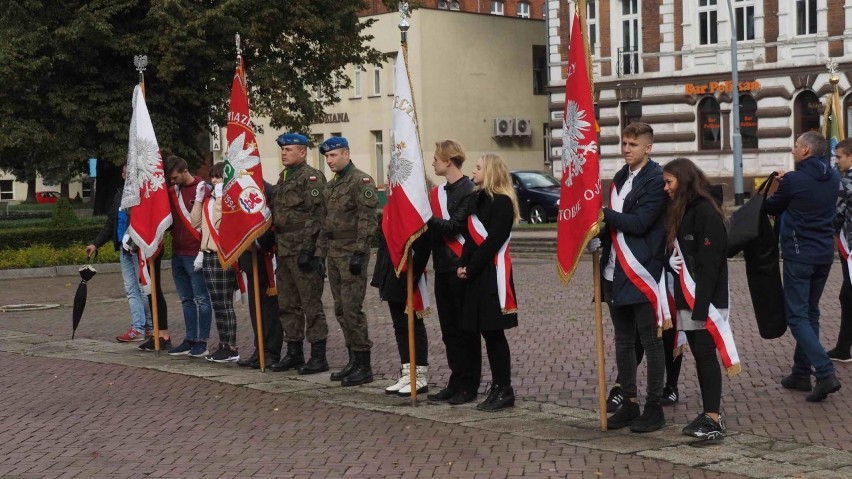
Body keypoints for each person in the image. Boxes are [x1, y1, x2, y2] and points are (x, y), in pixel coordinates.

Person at [589, 122, 667, 432]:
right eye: (624, 143)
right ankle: (630, 401)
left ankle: (654, 406)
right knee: (623, 342)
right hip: (613, 271)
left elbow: (640, 223)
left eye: (633, 144)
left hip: (641, 271)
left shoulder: (656, 179)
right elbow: (616, 225)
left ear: (648, 147)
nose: (626, 149)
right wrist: (598, 233)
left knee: (650, 343)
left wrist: (602, 213)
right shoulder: (621, 177)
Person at [766, 131, 842, 401]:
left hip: (799, 254)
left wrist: (778, 186)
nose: (793, 150)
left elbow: (771, 206)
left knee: (797, 316)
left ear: (807, 150)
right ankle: (800, 373)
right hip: (823, 254)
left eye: (796, 146)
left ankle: (824, 372)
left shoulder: (794, 180)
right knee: (811, 313)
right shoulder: (833, 176)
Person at [663, 157, 732, 439]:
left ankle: (713, 417)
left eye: (669, 182)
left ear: (684, 179)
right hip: (688, 298)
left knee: (705, 356)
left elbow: (710, 264)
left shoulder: (705, 212)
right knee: (700, 356)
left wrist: (701, 308)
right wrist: (669, 263)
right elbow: (678, 253)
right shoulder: (682, 210)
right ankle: (709, 413)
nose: (665, 188)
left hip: (705, 300)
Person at [457, 153, 519, 412]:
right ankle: (495, 386)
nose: (474, 171)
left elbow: (493, 241)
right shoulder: (477, 199)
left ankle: (504, 388)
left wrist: (470, 267)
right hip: (475, 275)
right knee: (482, 331)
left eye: (479, 167)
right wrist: (463, 263)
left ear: (491, 171)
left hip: (492, 275)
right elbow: (470, 238)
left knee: (494, 333)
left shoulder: (502, 202)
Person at [317, 136, 378, 386]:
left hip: (352, 252)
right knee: (341, 309)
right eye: (327, 157)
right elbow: (324, 224)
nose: (329, 160)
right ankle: (353, 360)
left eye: (333, 155)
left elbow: (368, 219)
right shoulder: (330, 187)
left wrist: (360, 251)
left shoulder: (360, 181)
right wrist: (320, 254)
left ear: (346, 154)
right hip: (334, 252)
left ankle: (364, 365)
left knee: (353, 309)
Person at [425, 139, 481, 405]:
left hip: (460, 267)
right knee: (449, 330)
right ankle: (456, 379)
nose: (433, 162)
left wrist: (424, 216)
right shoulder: (439, 192)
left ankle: (470, 384)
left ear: (448, 161)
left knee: (465, 329)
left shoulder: (470, 191)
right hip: (442, 267)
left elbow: (454, 227)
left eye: (437, 157)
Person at [270, 133, 330, 375]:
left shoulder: (312, 178)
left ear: (303, 152)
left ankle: (318, 356)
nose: (284, 152)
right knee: (287, 303)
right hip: (284, 249)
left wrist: (310, 249)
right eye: (283, 149)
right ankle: (294, 352)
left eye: (289, 149)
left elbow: (318, 217)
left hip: (303, 250)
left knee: (310, 304)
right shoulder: (284, 178)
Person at [85, 164, 152, 343]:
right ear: (123, 175)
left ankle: (150, 327)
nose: (128, 175)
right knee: (131, 290)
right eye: (126, 173)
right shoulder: (118, 196)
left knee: (143, 289)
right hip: (124, 250)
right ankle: (138, 328)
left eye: (131, 173)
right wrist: (95, 243)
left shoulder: (142, 196)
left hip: (138, 250)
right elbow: (110, 224)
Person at [371, 228, 431, 396]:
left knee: (413, 323)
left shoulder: (409, 206)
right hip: (391, 270)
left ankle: (419, 375)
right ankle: (407, 371)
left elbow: (424, 243)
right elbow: (384, 246)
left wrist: (415, 273)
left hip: (407, 269)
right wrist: (379, 276)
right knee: (399, 325)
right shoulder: (391, 211)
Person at [165, 155, 213, 358]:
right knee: (186, 299)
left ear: (185, 171)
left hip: (196, 252)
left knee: (201, 299)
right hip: (178, 251)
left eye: (175, 177)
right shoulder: (172, 191)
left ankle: (202, 341)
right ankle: (190, 338)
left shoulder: (204, 189)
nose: (173, 181)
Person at [190, 162, 239, 363]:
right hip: (208, 254)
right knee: (217, 303)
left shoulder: (226, 202)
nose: (214, 182)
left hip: (222, 254)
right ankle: (223, 343)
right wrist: (199, 200)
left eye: (218, 178)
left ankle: (231, 346)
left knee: (224, 303)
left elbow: (221, 223)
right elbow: (196, 223)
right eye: (213, 179)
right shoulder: (209, 201)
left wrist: (220, 198)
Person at [236, 188, 284, 369]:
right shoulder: (236, 191)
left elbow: (274, 222)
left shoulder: (269, 191)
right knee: (255, 308)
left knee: (270, 309)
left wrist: (258, 241)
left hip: (266, 256)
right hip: (249, 258)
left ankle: (272, 351)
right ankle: (260, 350)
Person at [830, 137, 852, 363]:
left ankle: (843, 348)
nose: (837, 162)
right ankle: (843, 346)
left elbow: (835, 215)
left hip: (851, 247)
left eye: (839, 157)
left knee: (848, 296)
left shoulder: (846, 183)